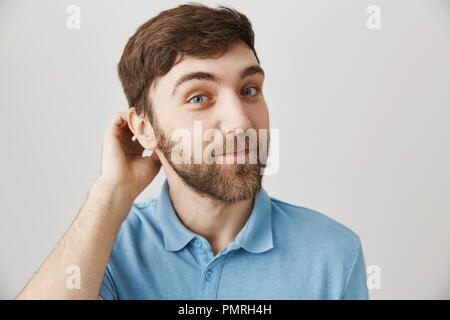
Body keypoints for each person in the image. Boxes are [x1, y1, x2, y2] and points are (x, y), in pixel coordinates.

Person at [16, 3, 368, 300]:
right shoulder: (106, 249)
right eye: (199, 97)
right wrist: (110, 194)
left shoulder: (333, 255)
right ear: (144, 128)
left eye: (249, 90)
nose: (240, 124)